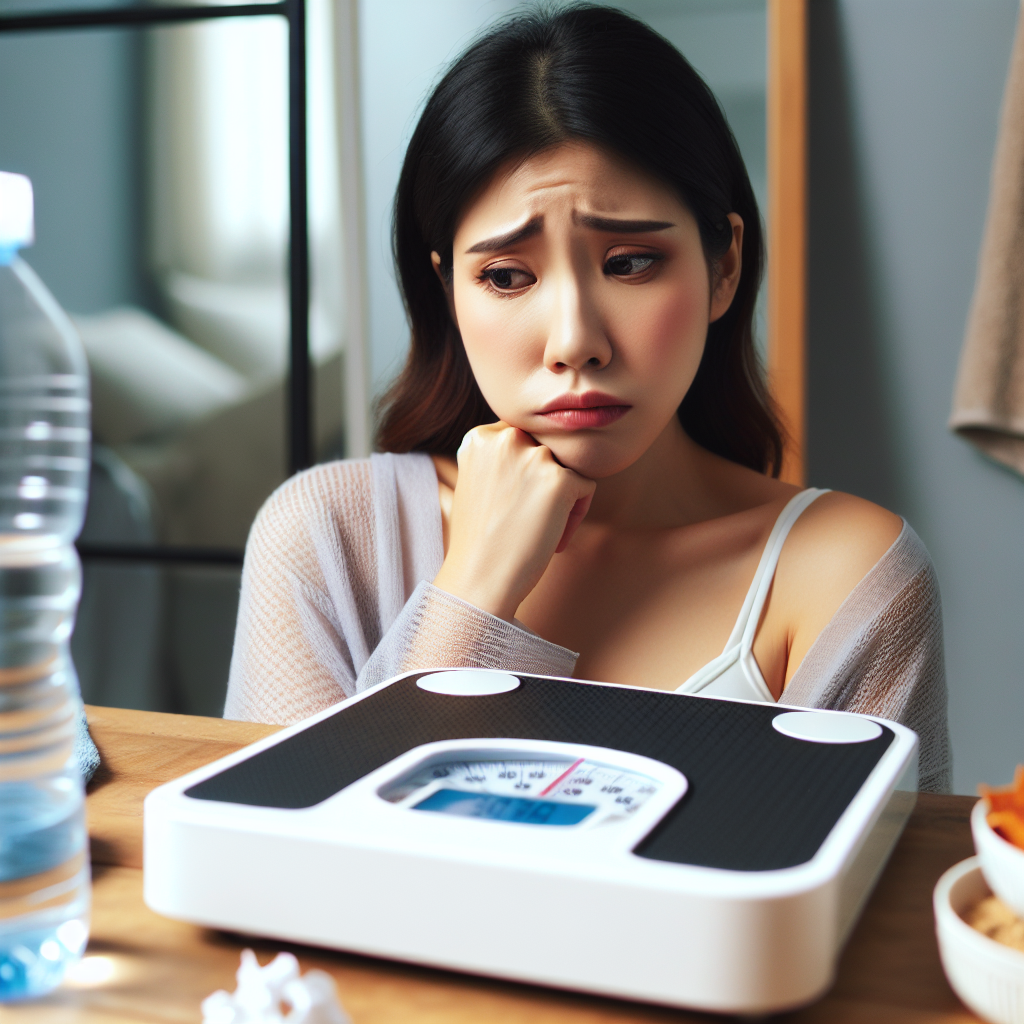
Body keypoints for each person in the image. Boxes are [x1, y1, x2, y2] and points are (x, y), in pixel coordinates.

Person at [225, 4, 950, 792]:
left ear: (724, 267)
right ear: (446, 293)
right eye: (507, 276)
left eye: (630, 263)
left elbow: (876, 873)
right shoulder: (323, 536)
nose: (575, 341)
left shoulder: (846, 574)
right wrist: (474, 589)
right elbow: (283, 852)